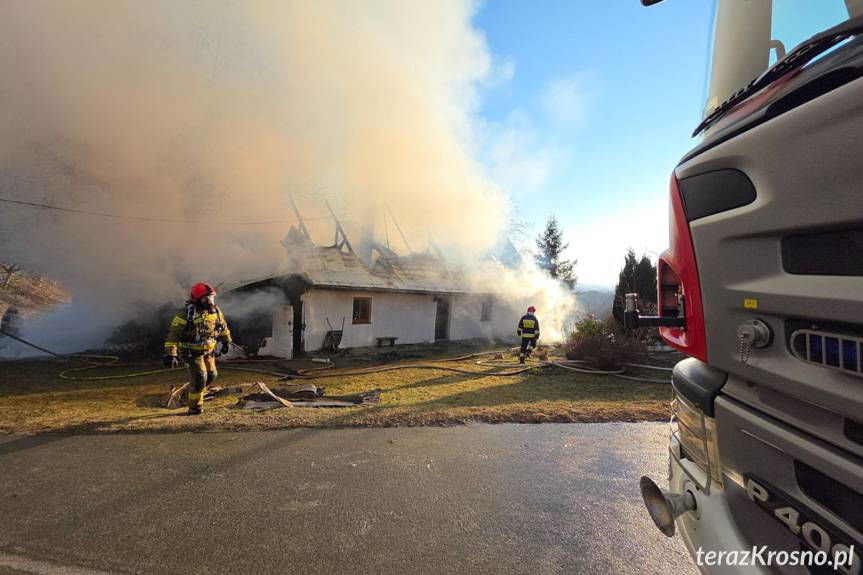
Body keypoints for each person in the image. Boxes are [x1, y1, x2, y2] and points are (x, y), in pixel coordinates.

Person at [163, 282, 232, 415]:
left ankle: (190, 392)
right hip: (191, 352)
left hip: (208, 351)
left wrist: (226, 341)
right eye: (206, 299)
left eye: (211, 298)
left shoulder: (215, 311)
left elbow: (222, 326)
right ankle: (194, 407)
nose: (210, 302)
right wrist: (171, 354)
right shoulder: (185, 315)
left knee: (212, 375)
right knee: (200, 377)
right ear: (198, 300)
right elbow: (173, 335)